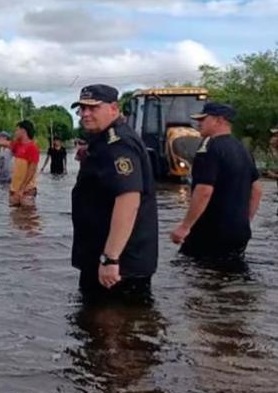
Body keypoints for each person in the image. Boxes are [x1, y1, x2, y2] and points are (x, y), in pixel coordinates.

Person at [70, 84, 158, 301]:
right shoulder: (104, 140)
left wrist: (111, 259)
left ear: (113, 108)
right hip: (108, 258)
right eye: (82, 108)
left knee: (112, 327)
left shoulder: (118, 144)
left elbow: (128, 200)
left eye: (93, 108)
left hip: (119, 265)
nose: (85, 114)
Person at [170, 103, 263, 264]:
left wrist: (185, 226)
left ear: (219, 120)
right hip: (239, 232)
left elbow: (204, 190)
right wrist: (244, 221)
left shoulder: (209, 148)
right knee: (231, 276)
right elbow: (257, 190)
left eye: (203, 119)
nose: (199, 123)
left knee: (196, 276)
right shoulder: (243, 149)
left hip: (210, 231)